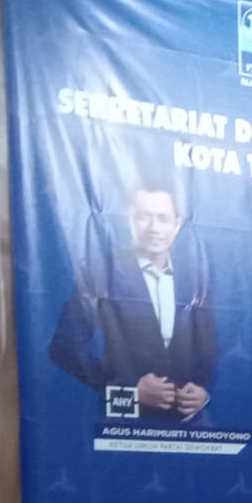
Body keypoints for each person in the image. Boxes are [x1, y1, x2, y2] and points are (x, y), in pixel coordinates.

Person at [49, 180, 216, 424]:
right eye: (144, 217)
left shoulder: (194, 278)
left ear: (177, 224)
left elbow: (209, 349)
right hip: (123, 427)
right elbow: (64, 348)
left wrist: (203, 392)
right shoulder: (100, 272)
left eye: (162, 218)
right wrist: (129, 389)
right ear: (130, 220)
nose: (154, 228)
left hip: (187, 427)